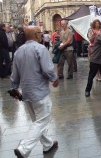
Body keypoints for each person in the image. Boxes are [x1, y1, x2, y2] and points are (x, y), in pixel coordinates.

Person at [10, 26, 59, 158]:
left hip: (26, 93)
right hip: (40, 92)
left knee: (38, 121)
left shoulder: (18, 51)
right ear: (36, 35)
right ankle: (24, 148)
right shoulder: (40, 48)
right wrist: (55, 79)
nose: (41, 35)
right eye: (40, 33)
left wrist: (15, 88)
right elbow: (47, 69)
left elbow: (14, 75)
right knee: (42, 121)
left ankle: (48, 144)